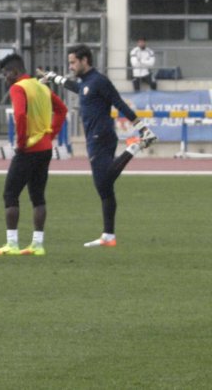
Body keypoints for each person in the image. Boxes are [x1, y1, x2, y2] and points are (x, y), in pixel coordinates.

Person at [38, 44, 157, 247]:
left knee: (104, 181)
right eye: (70, 63)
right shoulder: (86, 83)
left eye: (73, 62)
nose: (71, 66)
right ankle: (108, 236)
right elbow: (77, 88)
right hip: (95, 137)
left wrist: (142, 128)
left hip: (101, 137)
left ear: (85, 61)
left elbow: (119, 103)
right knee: (105, 189)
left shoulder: (99, 81)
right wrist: (53, 77)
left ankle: (136, 146)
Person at [0, 53, 67, 257]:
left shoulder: (18, 88)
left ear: (15, 72)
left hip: (29, 149)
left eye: (6, 74)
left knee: (10, 194)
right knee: (38, 196)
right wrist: (51, 134)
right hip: (45, 148)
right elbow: (62, 110)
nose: (5, 78)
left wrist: (20, 143)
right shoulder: (41, 86)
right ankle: (37, 245)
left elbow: (20, 115)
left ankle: (12, 244)